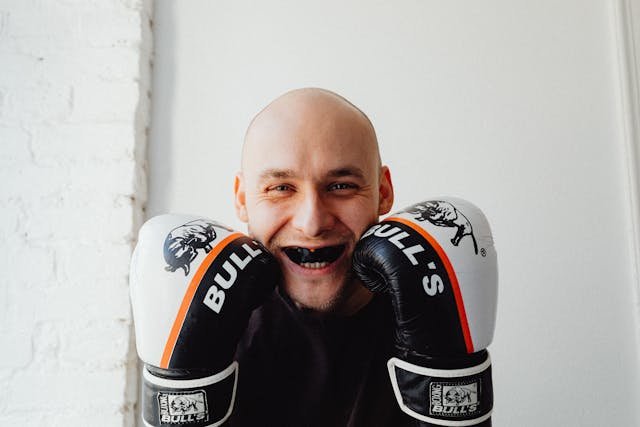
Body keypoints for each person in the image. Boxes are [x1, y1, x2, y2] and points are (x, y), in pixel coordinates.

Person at [229, 88, 405, 426]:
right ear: (242, 199)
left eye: (340, 186)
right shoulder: (215, 328)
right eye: (281, 188)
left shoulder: (425, 309)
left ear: (383, 193)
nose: (312, 223)